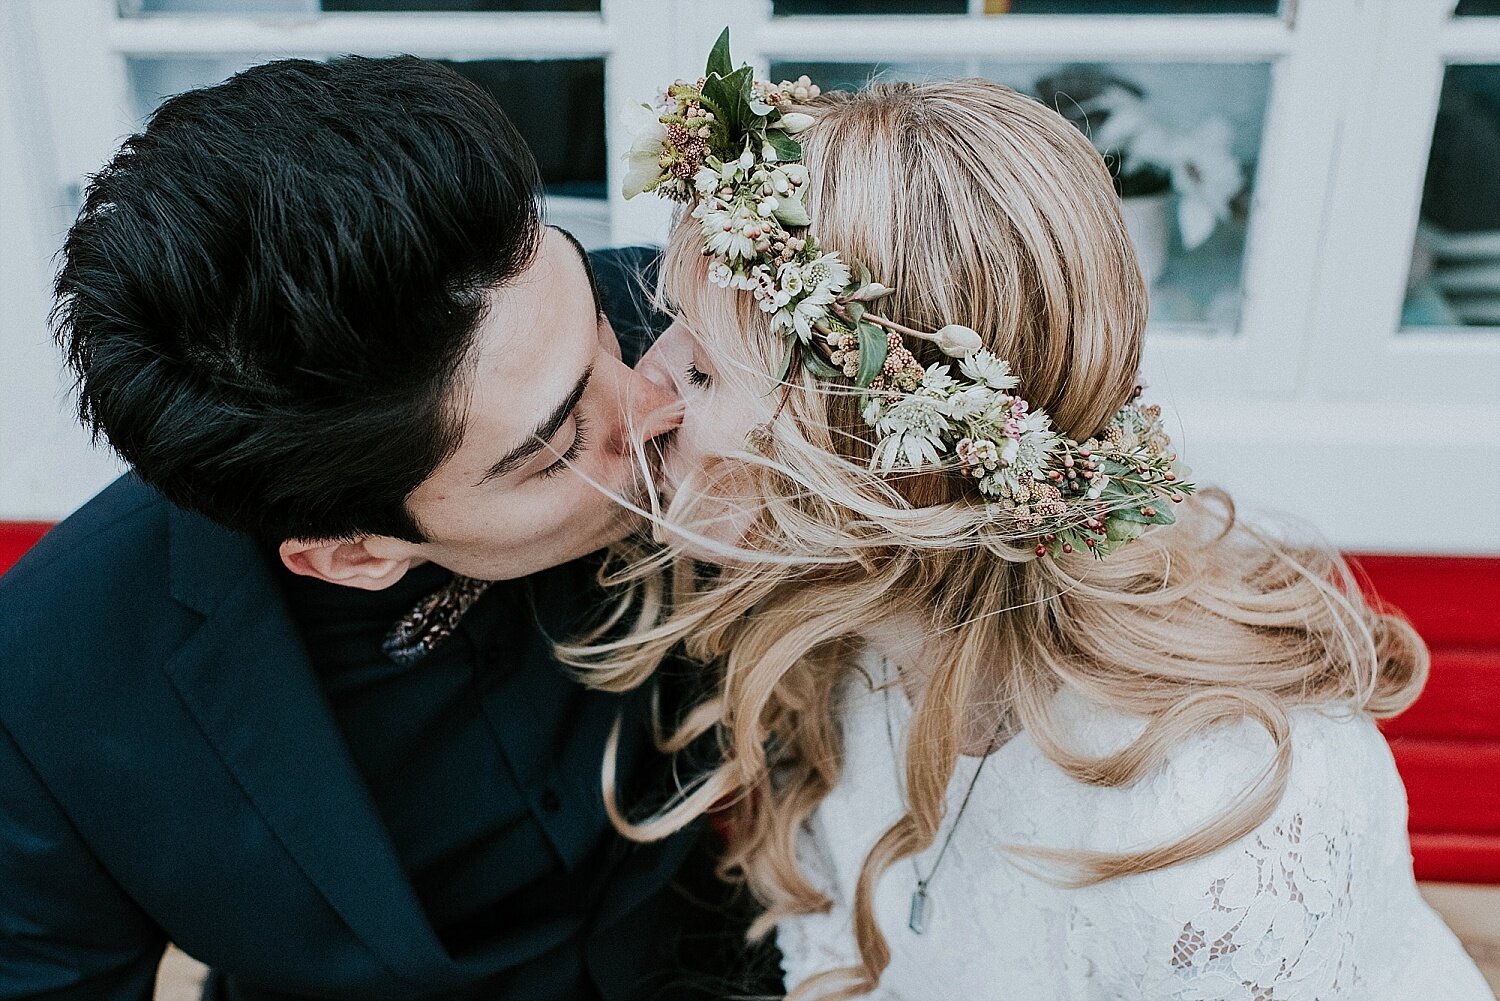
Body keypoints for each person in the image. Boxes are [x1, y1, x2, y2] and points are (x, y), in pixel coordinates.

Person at [568, 34, 1497, 1001]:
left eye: (706, 371)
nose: (646, 391)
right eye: (670, 327)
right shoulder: (836, 635)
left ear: (891, 476)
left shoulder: (1219, 827)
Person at [0, 55, 764, 1001]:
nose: (653, 400)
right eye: (564, 438)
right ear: (354, 553)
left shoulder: (688, 339)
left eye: (598, 327)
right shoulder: (44, 689)